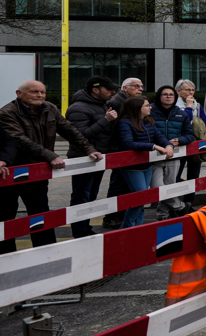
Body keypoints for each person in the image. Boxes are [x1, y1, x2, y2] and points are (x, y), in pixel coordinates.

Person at [0, 80, 101, 252]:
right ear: (19, 93)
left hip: (38, 170)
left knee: (40, 213)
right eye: (34, 92)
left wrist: (89, 149)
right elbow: (20, 140)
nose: (39, 95)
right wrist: (51, 156)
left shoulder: (49, 108)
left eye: (42, 92)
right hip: (11, 171)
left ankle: (46, 252)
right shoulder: (7, 112)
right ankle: (6, 256)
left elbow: (69, 130)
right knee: (7, 214)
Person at [64, 76, 119, 237]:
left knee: (91, 195)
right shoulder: (78, 108)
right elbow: (80, 136)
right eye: (108, 89)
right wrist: (105, 120)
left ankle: (85, 228)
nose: (112, 92)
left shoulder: (102, 105)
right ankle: (79, 231)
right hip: (83, 158)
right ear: (95, 90)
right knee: (81, 196)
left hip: (98, 159)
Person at [114, 96, 174, 228]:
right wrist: (153, 146)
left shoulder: (148, 122)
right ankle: (126, 228)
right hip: (132, 167)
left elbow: (160, 137)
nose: (150, 107)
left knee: (143, 198)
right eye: (147, 105)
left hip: (147, 166)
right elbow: (127, 143)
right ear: (137, 108)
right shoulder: (124, 123)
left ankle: (138, 227)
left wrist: (168, 145)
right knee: (140, 198)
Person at [101, 77, 144, 229]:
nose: (140, 89)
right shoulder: (116, 102)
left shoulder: (128, 102)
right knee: (118, 184)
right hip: (119, 149)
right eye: (136, 86)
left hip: (126, 149)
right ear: (125, 88)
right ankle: (112, 217)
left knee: (125, 185)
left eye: (141, 86)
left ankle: (119, 215)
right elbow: (115, 128)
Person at [150, 85, 194, 220]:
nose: (168, 97)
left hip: (173, 155)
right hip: (154, 156)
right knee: (157, 187)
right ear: (159, 96)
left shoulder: (181, 113)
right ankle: (180, 207)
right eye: (165, 94)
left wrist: (179, 140)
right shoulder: (149, 111)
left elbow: (190, 135)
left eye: (171, 95)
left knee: (169, 186)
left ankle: (163, 215)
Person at [175, 79, 206, 211]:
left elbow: (205, 122)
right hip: (181, 144)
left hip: (195, 143)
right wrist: (189, 107)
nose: (190, 92)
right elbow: (185, 121)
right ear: (178, 92)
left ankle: (189, 202)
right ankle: (176, 202)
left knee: (194, 174)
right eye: (187, 90)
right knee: (176, 175)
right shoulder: (175, 105)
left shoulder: (197, 105)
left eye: (192, 90)